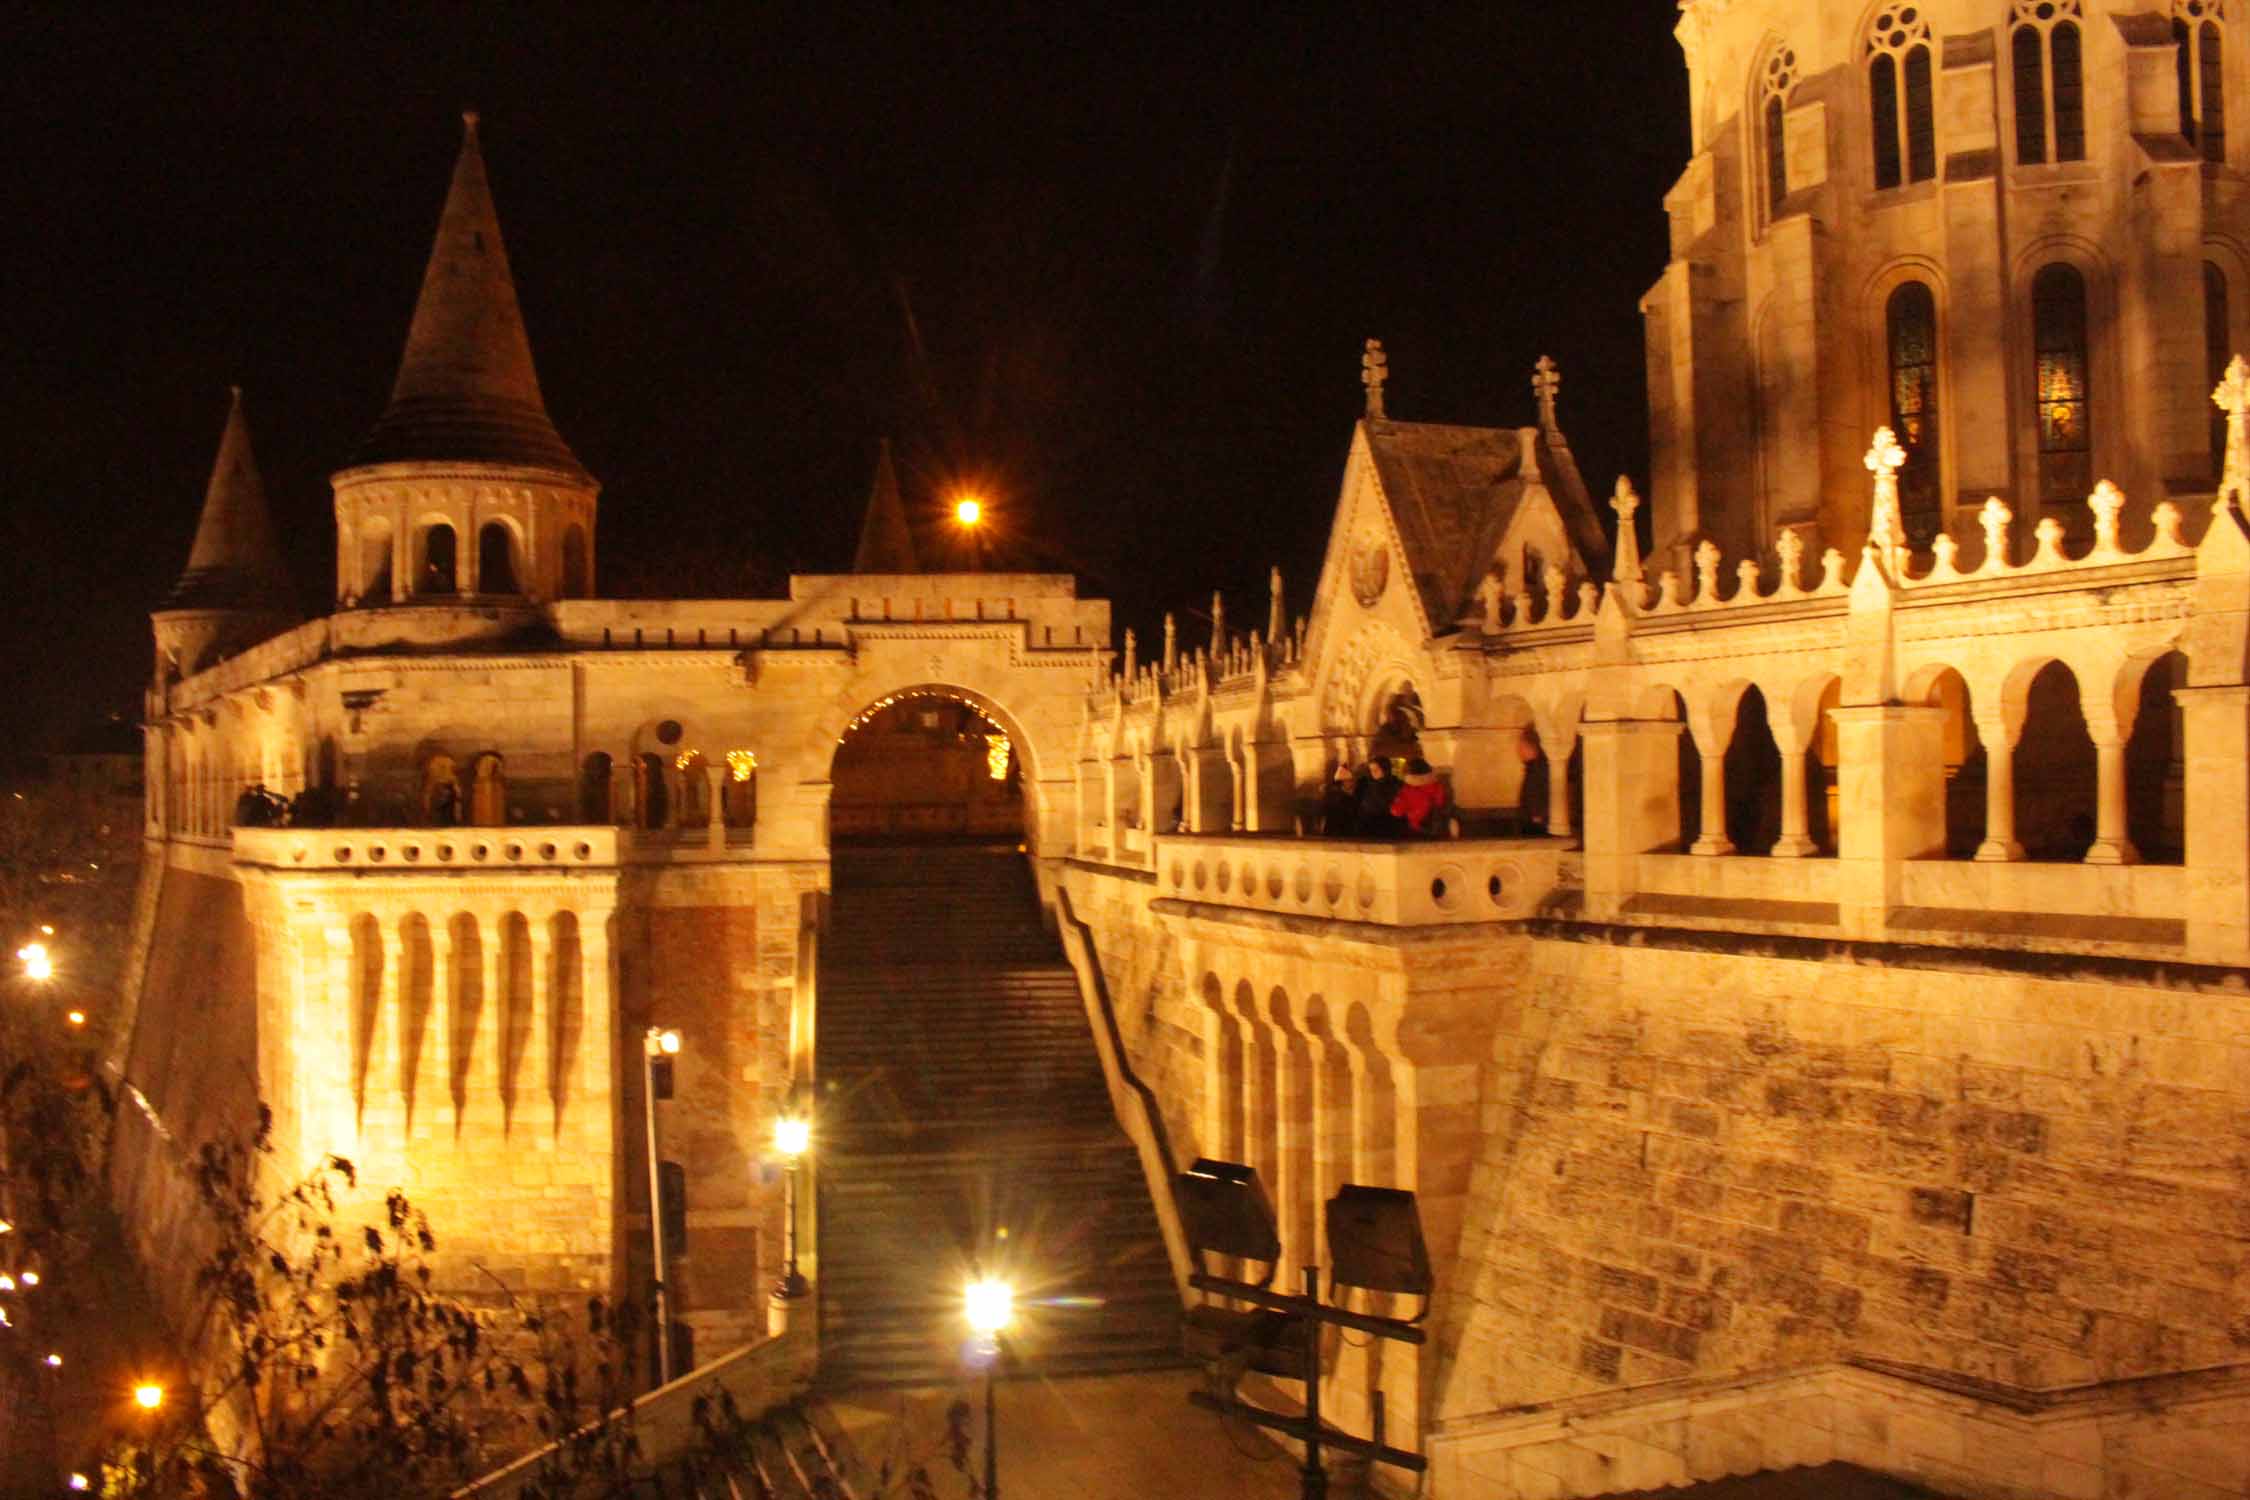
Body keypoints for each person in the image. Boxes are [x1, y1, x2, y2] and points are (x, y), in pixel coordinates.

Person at [1391, 757, 1449, 835]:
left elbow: (1397, 810)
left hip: (1415, 826)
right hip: (1432, 826)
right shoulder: (1437, 787)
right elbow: (1441, 804)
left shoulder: (1406, 790)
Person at [1356, 757, 1401, 837]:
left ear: (1385, 769)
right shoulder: (1365, 784)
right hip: (1367, 826)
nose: (1373, 772)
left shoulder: (1395, 784)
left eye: (1376, 769)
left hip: (1387, 826)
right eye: (1371, 770)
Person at [1321, 763, 1360, 836]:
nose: (1352, 783)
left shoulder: (1347, 795)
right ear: (1342, 782)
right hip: (1339, 833)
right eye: (1349, 781)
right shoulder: (1337, 797)